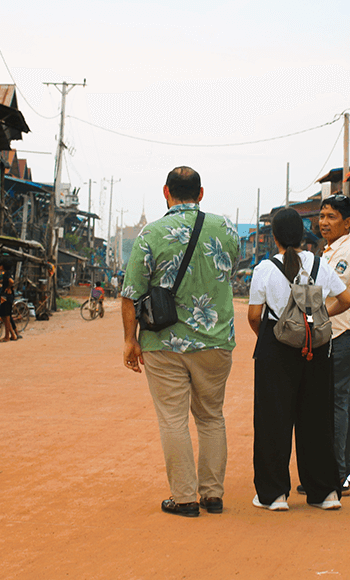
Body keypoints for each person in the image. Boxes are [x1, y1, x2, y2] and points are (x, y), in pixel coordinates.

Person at [121, 166, 240, 518]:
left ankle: (185, 497)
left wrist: (130, 340)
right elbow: (229, 269)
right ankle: (213, 495)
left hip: (164, 342)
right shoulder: (226, 229)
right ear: (201, 194)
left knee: (173, 419)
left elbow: (130, 293)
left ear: (165, 192)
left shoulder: (150, 235)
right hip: (216, 341)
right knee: (211, 416)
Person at [247, 207, 350, 512]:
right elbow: (346, 300)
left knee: (273, 421)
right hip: (316, 347)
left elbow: (255, 316)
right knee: (317, 419)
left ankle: (274, 495)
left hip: (276, 347)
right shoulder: (319, 265)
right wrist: (317, 318)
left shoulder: (265, 269)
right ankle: (325, 493)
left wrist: (273, 335)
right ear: (303, 235)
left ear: (275, 237)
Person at [318, 194, 350, 495]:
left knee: (337, 403)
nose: (324, 222)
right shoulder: (331, 250)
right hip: (342, 334)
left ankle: (338, 473)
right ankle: (345, 470)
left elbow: (324, 289)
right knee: (344, 402)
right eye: (322, 216)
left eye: (332, 217)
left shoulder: (347, 252)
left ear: (347, 222)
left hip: (343, 334)